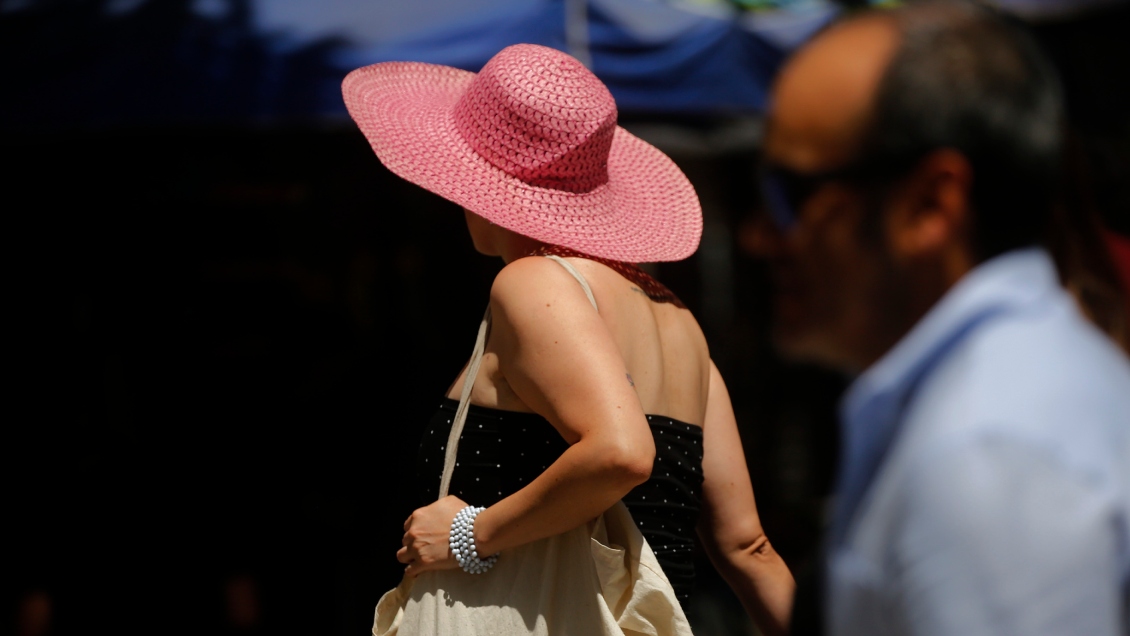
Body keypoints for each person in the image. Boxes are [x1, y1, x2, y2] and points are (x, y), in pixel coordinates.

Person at [342, 43, 794, 634]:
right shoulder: (680, 322)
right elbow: (747, 547)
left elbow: (621, 451)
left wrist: (468, 535)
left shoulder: (530, 283)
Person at [752, 2, 1130, 634]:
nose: (760, 236)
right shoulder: (1017, 385)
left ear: (932, 204)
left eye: (791, 194)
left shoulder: (986, 453)